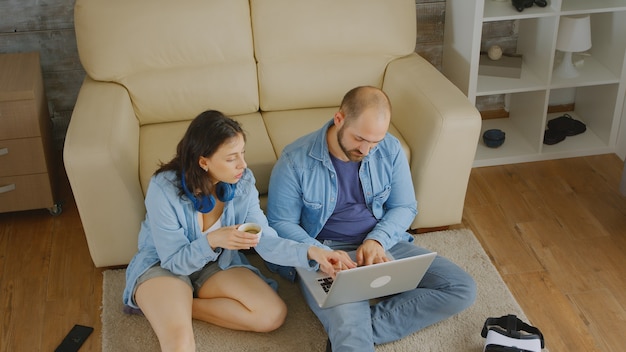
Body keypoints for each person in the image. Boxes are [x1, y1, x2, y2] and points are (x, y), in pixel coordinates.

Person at [123, 110, 355, 352]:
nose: (242, 164)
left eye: (242, 153)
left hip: (215, 263)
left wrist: (312, 252)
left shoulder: (242, 183)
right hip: (165, 264)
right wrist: (212, 239)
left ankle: (174, 306)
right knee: (180, 342)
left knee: (272, 315)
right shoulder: (164, 189)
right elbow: (174, 262)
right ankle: (168, 306)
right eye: (231, 157)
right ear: (204, 161)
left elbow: (264, 239)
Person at [266, 86, 477, 351]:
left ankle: (355, 332)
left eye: (374, 142)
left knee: (461, 288)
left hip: (382, 243)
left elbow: (404, 206)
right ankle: (351, 333)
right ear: (339, 119)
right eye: (360, 139)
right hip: (328, 255)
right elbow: (280, 224)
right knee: (349, 326)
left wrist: (377, 240)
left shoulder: (389, 149)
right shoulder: (295, 160)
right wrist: (320, 253)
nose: (366, 150)